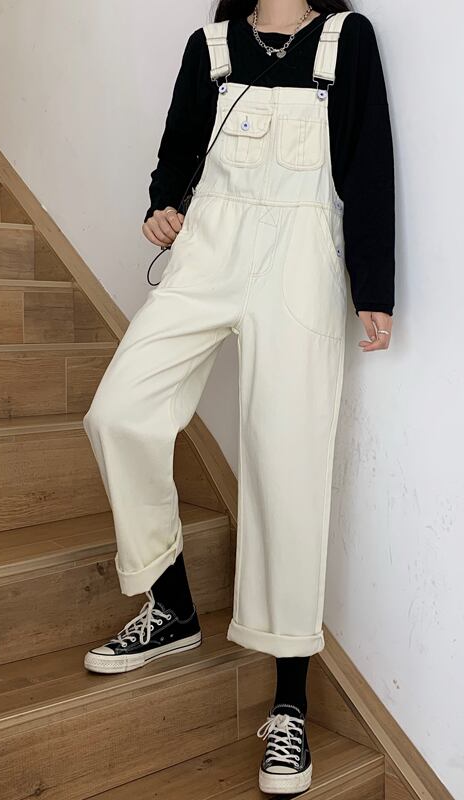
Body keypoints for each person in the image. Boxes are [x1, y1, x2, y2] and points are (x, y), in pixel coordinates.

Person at [81, 0, 395, 793]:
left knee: (286, 468)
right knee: (119, 413)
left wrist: (374, 286)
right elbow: (179, 147)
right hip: (208, 253)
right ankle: (172, 604)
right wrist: (163, 205)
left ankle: (289, 705)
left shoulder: (346, 42)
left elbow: (368, 166)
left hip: (301, 263)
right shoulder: (211, 45)